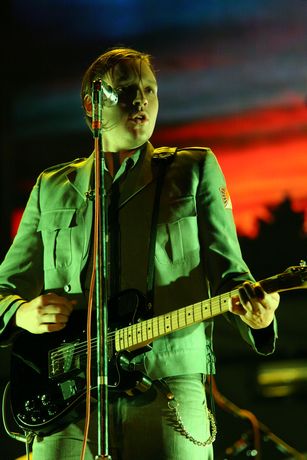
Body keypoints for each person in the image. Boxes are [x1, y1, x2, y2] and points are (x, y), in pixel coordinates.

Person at [0, 47, 279, 460]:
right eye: (126, 90)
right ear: (92, 108)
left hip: (169, 387)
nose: (141, 100)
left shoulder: (193, 169)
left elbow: (231, 274)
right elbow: (6, 289)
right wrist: (21, 313)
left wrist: (260, 318)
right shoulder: (51, 186)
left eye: (149, 89)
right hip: (65, 399)